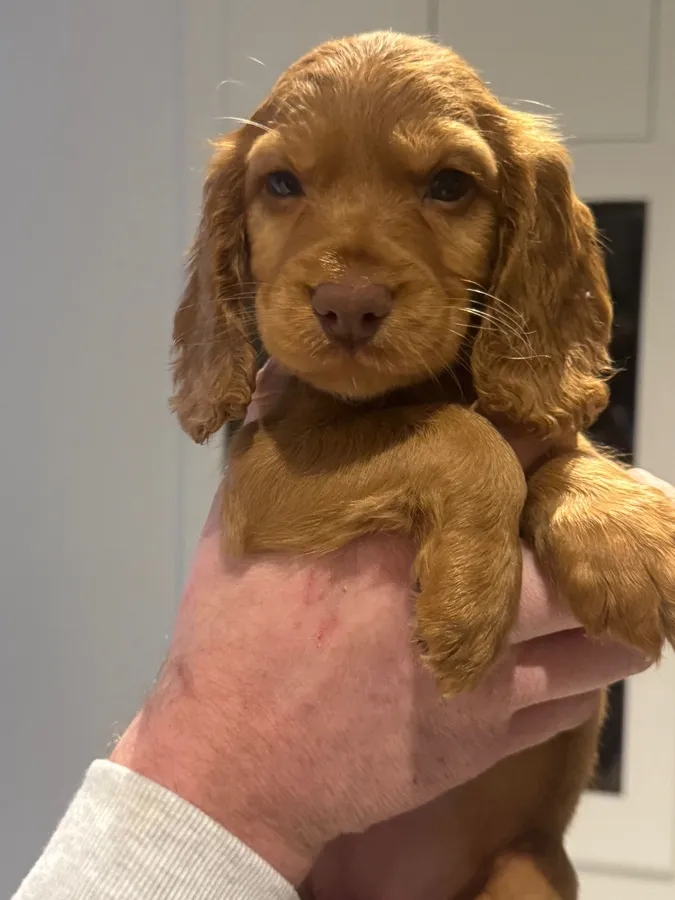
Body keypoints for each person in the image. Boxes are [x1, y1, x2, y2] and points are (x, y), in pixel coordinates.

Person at [13, 364, 668, 900]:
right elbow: (271, 496)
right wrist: (223, 779)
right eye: (282, 193)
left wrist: (567, 487)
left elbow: (540, 452)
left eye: (444, 196)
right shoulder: (301, 417)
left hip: (492, 876)